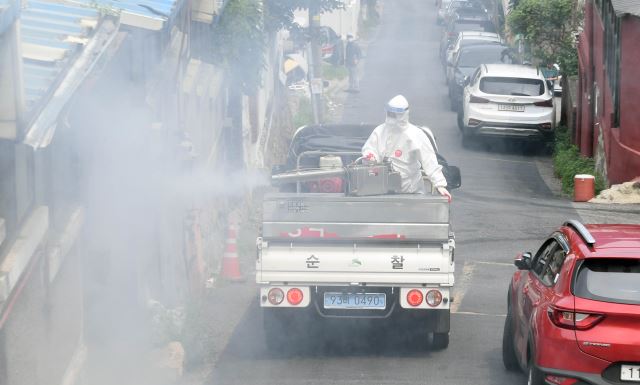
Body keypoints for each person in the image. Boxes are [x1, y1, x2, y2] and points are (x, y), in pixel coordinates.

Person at [362, 95, 452, 201]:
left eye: (394, 114)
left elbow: (429, 160)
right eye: (389, 113)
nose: (391, 117)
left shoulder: (415, 135)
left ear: (402, 115)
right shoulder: (380, 131)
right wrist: (371, 157)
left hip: (412, 192)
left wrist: (440, 184)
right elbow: (370, 149)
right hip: (383, 191)